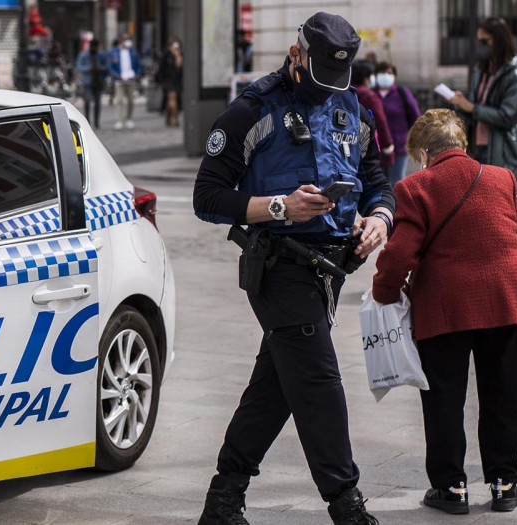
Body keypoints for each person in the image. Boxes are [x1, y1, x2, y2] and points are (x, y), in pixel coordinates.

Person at [192, 12, 394, 525]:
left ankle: (224, 499)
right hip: (279, 266)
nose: (328, 90)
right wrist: (279, 206)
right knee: (320, 384)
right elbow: (207, 196)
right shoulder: (253, 108)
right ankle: (347, 508)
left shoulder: (351, 104)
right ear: (296, 53)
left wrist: (379, 218)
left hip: (330, 270)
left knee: (276, 387)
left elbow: (377, 180)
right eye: (319, 76)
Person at [370, 109, 517, 515]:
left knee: (445, 400)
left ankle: (451, 488)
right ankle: (505, 484)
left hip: (446, 308)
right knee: (503, 395)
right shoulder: (501, 178)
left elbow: (399, 253)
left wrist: (383, 293)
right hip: (506, 300)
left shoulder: (415, 187)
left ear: (423, 153)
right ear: (463, 146)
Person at [450, 17, 517, 192]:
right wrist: (461, 105)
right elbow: (473, 105)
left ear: (499, 40)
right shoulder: (481, 71)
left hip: (503, 149)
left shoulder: (514, 74)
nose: (480, 45)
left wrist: (472, 107)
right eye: (479, 41)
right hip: (476, 146)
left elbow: (508, 116)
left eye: (484, 41)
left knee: (499, 197)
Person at [374, 62, 422, 185]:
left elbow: (416, 118)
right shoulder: (371, 94)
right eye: (382, 73)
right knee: (378, 183)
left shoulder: (402, 93)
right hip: (376, 148)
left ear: (394, 75)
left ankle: (396, 204)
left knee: (397, 182)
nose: (385, 76)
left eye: (389, 73)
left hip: (399, 147)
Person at [351, 60, 396, 168]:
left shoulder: (346, 94)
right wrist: (387, 145)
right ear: (366, 78)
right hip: (371, 149)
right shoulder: (370, 96)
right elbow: (380, 122)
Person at [109, 35, 141, 130]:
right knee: (119, 100)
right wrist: (116, 75)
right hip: (120, 79)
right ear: (121, 41)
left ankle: (129, 119)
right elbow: (111, 66)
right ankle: (119, 120)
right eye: (126, 40)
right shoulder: (114, 52)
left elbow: (138, 64)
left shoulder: (132, 52)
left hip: (131, 79)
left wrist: (136, 74)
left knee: (131, 100)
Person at [77, 39, 109, 128]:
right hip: (88, 81)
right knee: (87, 101)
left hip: (98, 81)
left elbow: (106, 66)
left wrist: (99, 68)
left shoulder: (101, 55)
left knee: (98, 103)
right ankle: (87, 120)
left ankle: (96, 122)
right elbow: (79, 66)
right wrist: (89, 68)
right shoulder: (84, 55)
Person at [157, 37, 184, 127]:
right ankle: (176, 118)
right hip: (168, 81)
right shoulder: (166, 55)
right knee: (172, 99)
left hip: (177, 81)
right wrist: (161, 81)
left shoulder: (180, 55)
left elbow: (180, 68)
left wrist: (178, 56)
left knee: (172, 100)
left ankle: (168, 117)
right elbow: (161, 69)